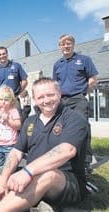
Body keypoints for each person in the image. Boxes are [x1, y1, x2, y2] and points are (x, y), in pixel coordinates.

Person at [0, 77, 89, 212]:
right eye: (41, 97)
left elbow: (67, 150)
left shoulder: (74, 118)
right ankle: (29, 205)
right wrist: (3, 181)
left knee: (47, 174)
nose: (46, 100)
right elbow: (16, 152)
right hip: (31, 178)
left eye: (51, 95)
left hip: (65, 182)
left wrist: (27, 171)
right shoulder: (30, 122)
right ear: (34, 99)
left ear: (59, 93)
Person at [53, 34, 99, 172]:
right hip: (62, 100)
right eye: (63, 44)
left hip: (78, 99)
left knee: (82, 127)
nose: (65, 46)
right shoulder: (57, 64)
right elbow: (55, 84)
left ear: (73, 44)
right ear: (60, 47)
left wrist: (82, 93)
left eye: (68, 43)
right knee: (60, 128)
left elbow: (93, 79)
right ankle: (64, 157)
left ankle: (85, 161)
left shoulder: (84, 60)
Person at [0, 85, 21, 171]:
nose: (3, 102)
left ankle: (10, 178)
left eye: (6, 99)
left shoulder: (13, 111)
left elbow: (18, 126)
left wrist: (9, 120)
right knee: (0, 164)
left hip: (10, 144)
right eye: (1, 99)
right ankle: (2, 178)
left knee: (10, 165)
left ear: (11, 100)